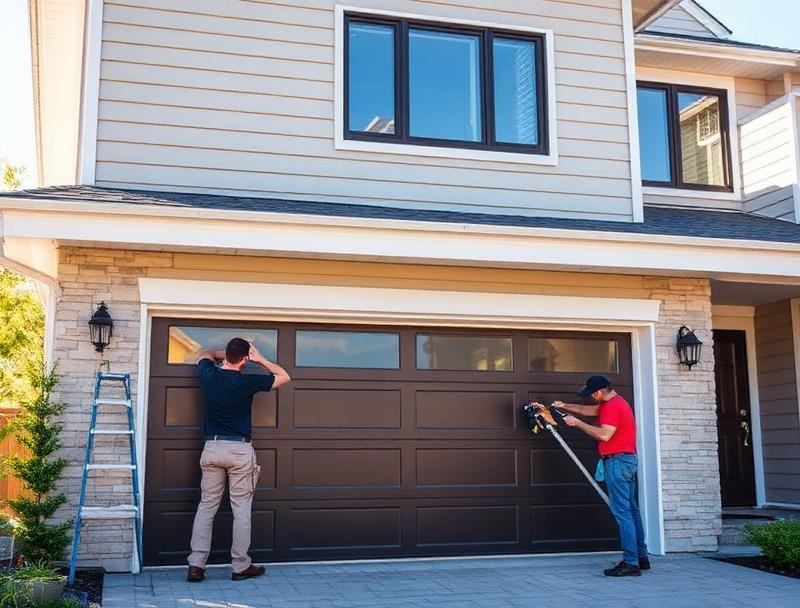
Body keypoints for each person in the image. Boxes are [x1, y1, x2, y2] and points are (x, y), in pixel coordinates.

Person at [186, 338, 291, 583]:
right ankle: (240, 566)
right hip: (239, 450)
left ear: (227, 356)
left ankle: (196, 565)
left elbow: (204, 352)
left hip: (212, 447)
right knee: (241, 509)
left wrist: (228, 353)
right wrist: (260, 359)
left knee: (206, 507)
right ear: (245, 358)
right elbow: (284, 376)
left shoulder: (209, 374)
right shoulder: (247, 381)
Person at [544, 375, 649, 577]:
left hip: (617, 463)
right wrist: (565, 406)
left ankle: (630, 562)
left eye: (591, 394)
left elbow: (604, 435)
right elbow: (589, 410)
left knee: (623, 514)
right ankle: (641, 557)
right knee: (632, 511)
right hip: (627, 461)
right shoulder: (617, 402)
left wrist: (577, 424)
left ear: (599, 392)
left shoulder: (612, 407)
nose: (590, 398)